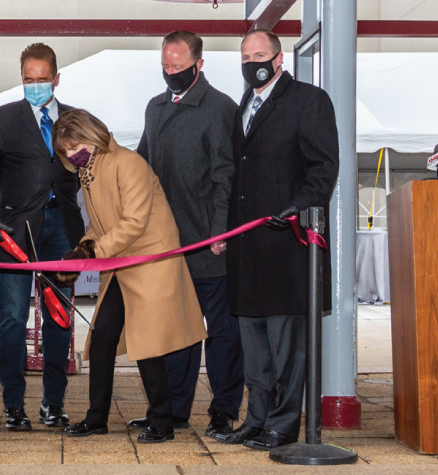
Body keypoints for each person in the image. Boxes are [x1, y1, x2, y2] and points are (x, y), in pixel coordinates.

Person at [49, 109, 209, 443]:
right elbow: (100, 224)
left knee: (148, 343)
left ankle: (162, 421)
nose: (70, 154)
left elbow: (134, 222)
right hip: (123, 263)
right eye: (65, 150)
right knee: (104, 336)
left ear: (92, 134)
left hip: (152, 261)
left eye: (74, 145)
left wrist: (92, 252)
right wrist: (81, 250)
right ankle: (97, 418)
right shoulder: (89, 170)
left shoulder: (128, 162)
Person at [220, 27, 339, 451]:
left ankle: (284, 424)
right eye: (245, 57)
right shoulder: (243, 108)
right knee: (254, 345)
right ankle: (257, 419)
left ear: (279, 59)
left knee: (287, 345)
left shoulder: (309, 101)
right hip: (248, 246)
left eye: (259, 55)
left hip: (288, 244)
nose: (252, 63)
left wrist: (297, 206)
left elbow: (322, 169)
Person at [133, 30, 245, 436]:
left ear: (199, 64)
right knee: (176, 332)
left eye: (178, 67)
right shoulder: (156, 108)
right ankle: (175, 409)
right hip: (167, 246)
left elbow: (224, 175)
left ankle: (224, 408)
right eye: (165, 66)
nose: (170, 73)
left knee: (222, 333)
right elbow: (141, 167)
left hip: (208, 245)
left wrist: (219, 232)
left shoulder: (219, 109)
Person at [0, 42, 85, 431]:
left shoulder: (75, 120)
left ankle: (53, 403)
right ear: (21, 79)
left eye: (42, 80)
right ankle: (13, 405)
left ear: (56, 79)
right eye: (29, 80)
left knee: (59, 320)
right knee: (11, 320)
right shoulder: (2, 118)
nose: (36, 86)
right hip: (14, 233)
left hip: (62, 230)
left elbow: (89, 176)